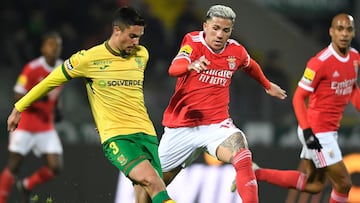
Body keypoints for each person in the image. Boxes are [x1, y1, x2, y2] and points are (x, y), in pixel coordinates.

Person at [6, 7, 175, 203]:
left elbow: (125, 95)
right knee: (152, 181)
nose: (136, 42)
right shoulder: (88, 59)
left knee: (144, 194)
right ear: (116, 30)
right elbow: (50, 81)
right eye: (132, 36)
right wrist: (19, 107)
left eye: (139, 37)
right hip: (118, 137)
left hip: (147, 134)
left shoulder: (141, 55)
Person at [157, 5, 287, 203]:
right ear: (205, 26)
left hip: (216, 125)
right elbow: (174, 68)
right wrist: (190, 66)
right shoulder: (192, 42)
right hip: (181, 126)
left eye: (225, 30)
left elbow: (250, 65)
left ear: (231, 31)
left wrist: (267, 85)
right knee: (152, 186)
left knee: (242, 153)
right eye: (215, 28)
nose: (219, 34)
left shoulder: (236, 51)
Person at [249, 13, 360, 203]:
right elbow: (299, 97)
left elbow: (351, 87)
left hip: (330, 130)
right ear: (331, 32)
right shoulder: (320, 62)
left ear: (353, 32)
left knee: (313, 184)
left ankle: (256, 173)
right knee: (343, 183)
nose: (344, 34)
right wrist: (309, 133)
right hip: (316, 131)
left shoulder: (355, 57)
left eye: (348, 29)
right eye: (339, 29)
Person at [0, 31, 64, 203]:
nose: (55, 48)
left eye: (57, 45)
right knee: (14, 164)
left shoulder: (62, 68)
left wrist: (57, 109)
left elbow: (57, 96)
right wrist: (37, 98)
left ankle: (27, 184)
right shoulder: (32, 68)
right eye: (51, 44)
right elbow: (17, 94)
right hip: (26, 124)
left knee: (55, 167)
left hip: (46, 126)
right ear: (43, 48)